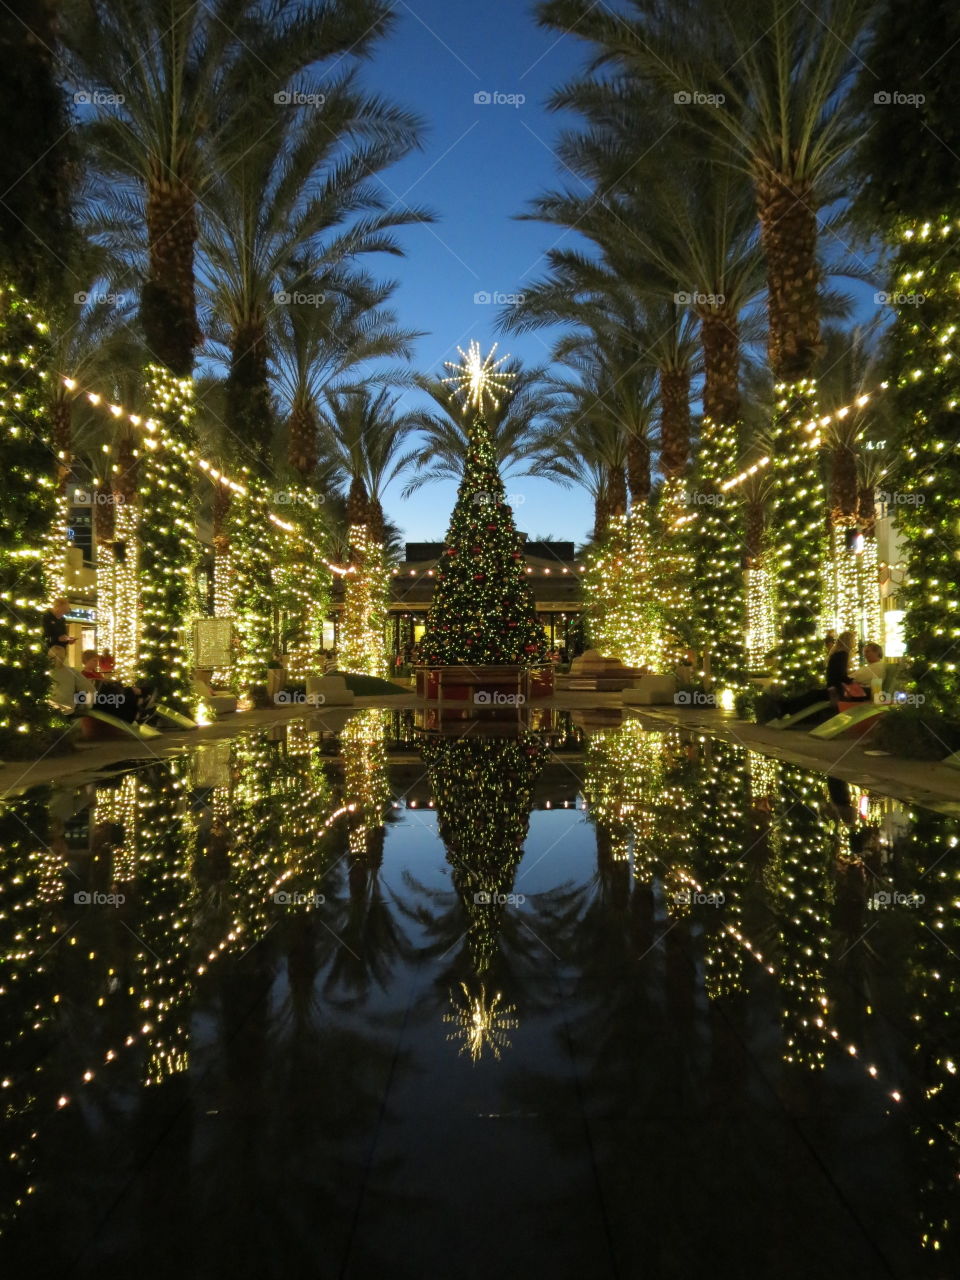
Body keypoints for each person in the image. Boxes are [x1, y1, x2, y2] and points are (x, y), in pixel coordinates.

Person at [770, 630, 869, 721]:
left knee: (814, 695)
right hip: (836, 689)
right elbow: (841, 675)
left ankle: (786, 706)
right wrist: (851, 681)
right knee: (814, 695)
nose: (855, 643)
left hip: (833, 686)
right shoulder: (843, 654)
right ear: (849, 641)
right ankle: (786, 707)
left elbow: (835, 674)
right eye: (854, 640)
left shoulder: (837, 654)